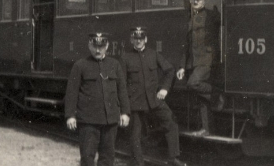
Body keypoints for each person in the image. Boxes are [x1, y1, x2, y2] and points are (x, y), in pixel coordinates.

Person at [120, 27, 186, 166]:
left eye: (141, 38)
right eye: (135, 38)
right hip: (135, 102)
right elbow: (122, 84)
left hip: (154, 100)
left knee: (171, 123)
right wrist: (125, 108)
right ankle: (138, 163)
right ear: (131, 40)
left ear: (146, 39)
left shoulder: (153, 54)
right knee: (135, 135)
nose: (138, 41)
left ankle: (173, 158)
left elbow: (169, 70)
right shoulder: (125, 57)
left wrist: (164, 89)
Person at [65, 32, 131, 166]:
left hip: (110, 120)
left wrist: (125, 112)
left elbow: (122, 90)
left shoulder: (115, 64)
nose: (98, 50)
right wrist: (70, 115)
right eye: (94, 46)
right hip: (88, 121)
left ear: (107, 46)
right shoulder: (80, 65)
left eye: (101, 47)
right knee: (87, 157)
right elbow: (72, 92)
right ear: (89, 46)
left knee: (107, 158)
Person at [176, 0, 223, 137]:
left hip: (208, 60)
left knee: (193, 83)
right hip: (195, 62)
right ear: (190, 0)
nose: (196, 2)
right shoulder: (189, 18)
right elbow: (187, 45)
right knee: (202, 98)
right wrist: (182, 67)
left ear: (204, 0)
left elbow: (227, 18)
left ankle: (216, 95)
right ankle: (207, 129)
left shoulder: (212, 15)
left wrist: (224, 0)